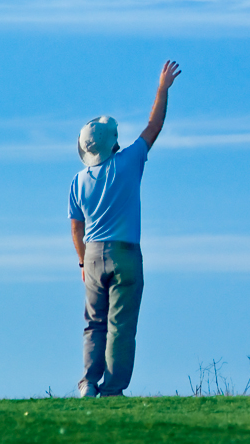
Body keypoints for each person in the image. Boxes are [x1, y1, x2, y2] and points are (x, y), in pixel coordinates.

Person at [68, 60, 181, 397]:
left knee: (93, 324)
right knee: (121, 327)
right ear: (112, 141)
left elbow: (76, 226)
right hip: (126, 253)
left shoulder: (77, 181)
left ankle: (88, 382)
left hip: (92, 254)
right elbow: (154, 125)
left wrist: (82, 261)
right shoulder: (130, 161)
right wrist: (162, 89)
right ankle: (113, 389)